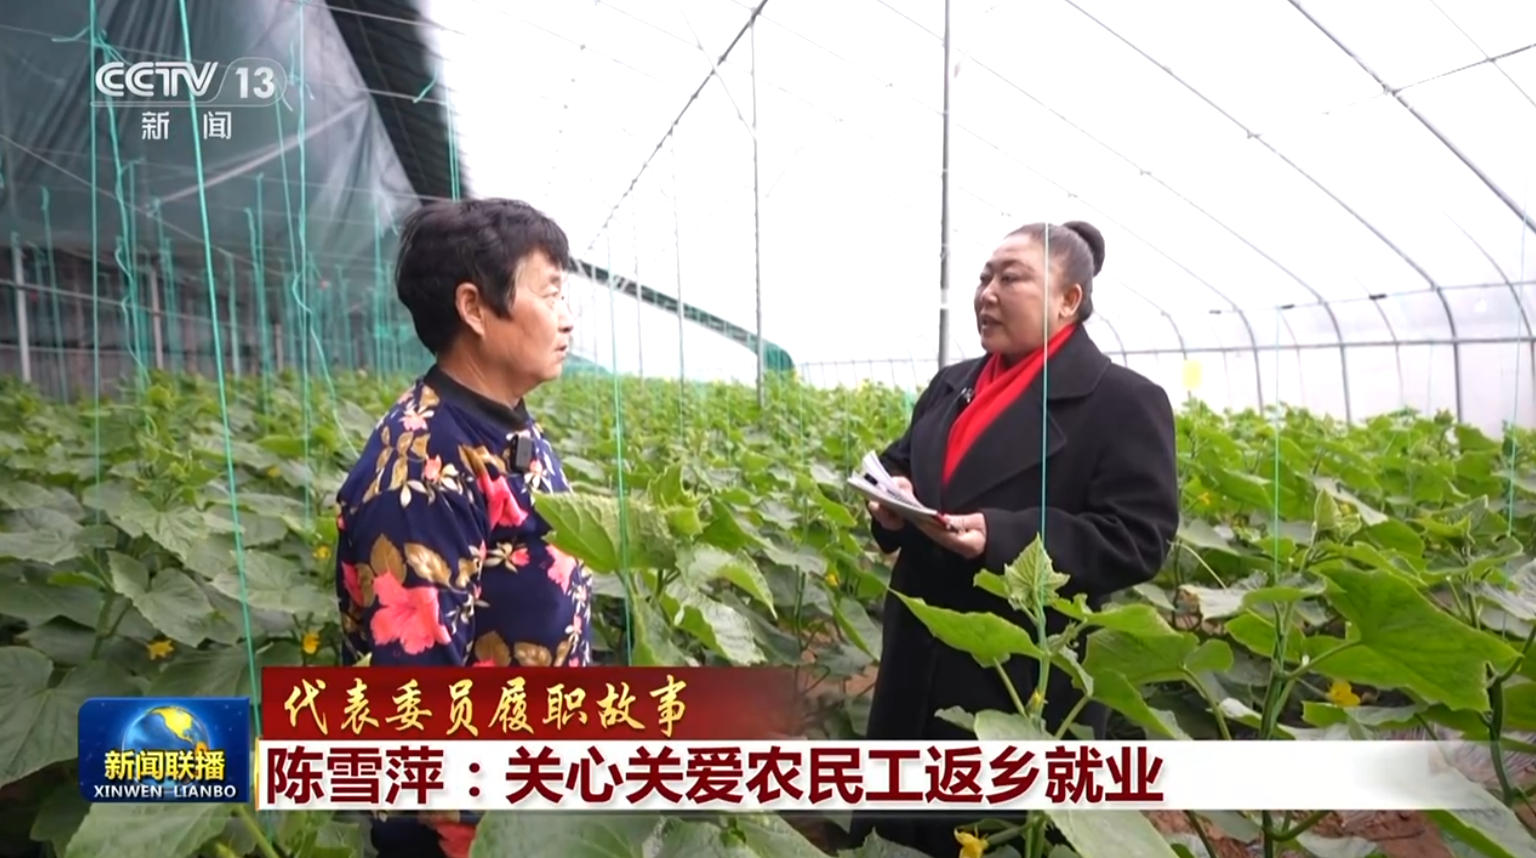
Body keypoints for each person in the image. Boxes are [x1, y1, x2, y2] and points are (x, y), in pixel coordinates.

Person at [851, 221, 1180, 857]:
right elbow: (902, 462)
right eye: (984, 278)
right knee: (894, 828)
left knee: (986, 834)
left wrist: (1003, 537)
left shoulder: (1121, 402)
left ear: (1068, 300)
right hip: (916, 649)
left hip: (1018, 675)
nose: (987, 293)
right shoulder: (953, 384)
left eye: (1011, 277)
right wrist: (891, 499)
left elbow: (1138, 536)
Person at [331, 198, 592, 858]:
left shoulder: (501, 420)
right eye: (549, 293)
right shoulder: (422, 470)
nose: (566, 317)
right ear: (475, 308)